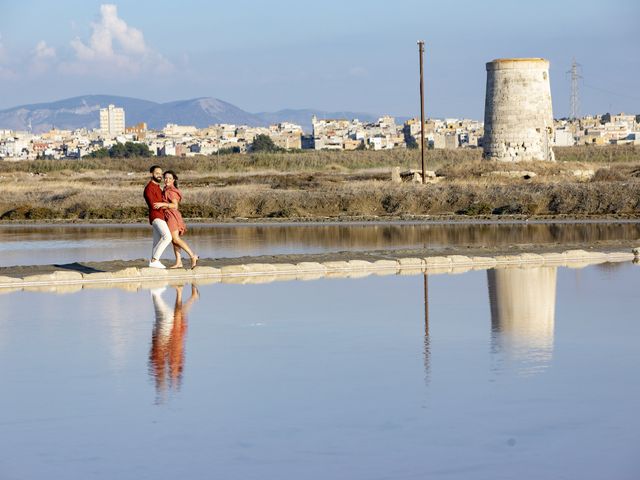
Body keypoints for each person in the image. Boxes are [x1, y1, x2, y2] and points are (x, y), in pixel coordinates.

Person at [153, 170, 199, 269]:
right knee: (174, 241)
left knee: (176, 239)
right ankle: (179, 262)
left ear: (173, 180)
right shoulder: (166, 189)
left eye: (170, 178)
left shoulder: (171, 191)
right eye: (165, 178)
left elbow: (175, 206)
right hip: (169, 216)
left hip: (172, 216)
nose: (167, 180)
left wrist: (162, 204)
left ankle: (192, 256)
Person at [143, 165, 172, 269]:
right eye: (157, 173)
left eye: (161, 174)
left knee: (156, 241)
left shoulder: (158, 188)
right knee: (167, 237)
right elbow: (154, 205)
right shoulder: (149, 188)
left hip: (160, 216)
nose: (160, 175)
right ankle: (155, 260)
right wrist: (165, 205)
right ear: (152, 174)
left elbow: (161, 203)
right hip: (156, 216)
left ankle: (153, 263)